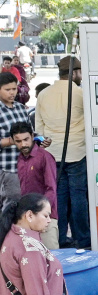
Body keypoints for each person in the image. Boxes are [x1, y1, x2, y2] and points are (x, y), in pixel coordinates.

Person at [35, 57, 88, 249]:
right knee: (79, 197)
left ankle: (60, 239)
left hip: (53, 154)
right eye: (80, 72)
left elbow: (38, 128)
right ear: (74, 73)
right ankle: (83, 239)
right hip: (77, 153)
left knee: (59, 197)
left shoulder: (44, 94)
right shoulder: (80, 93)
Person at [11, 122, 58, 250]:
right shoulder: (20, 159)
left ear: (32, 136)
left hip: (46, 218)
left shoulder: (45, 157)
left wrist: (42, 215)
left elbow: (51, 189)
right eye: (18, 141)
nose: (23, 144)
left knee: (51, 260)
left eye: (26, 139)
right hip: (29, 219)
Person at [0, 74, 29, 214]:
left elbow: (29, 132)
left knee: (23, 206)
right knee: (11, 207)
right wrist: (13, 141)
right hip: (7, 168)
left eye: (14, 89)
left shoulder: (20, 108)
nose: (12, 92)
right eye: (7, 89)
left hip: (25, 166)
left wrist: (37, 140)